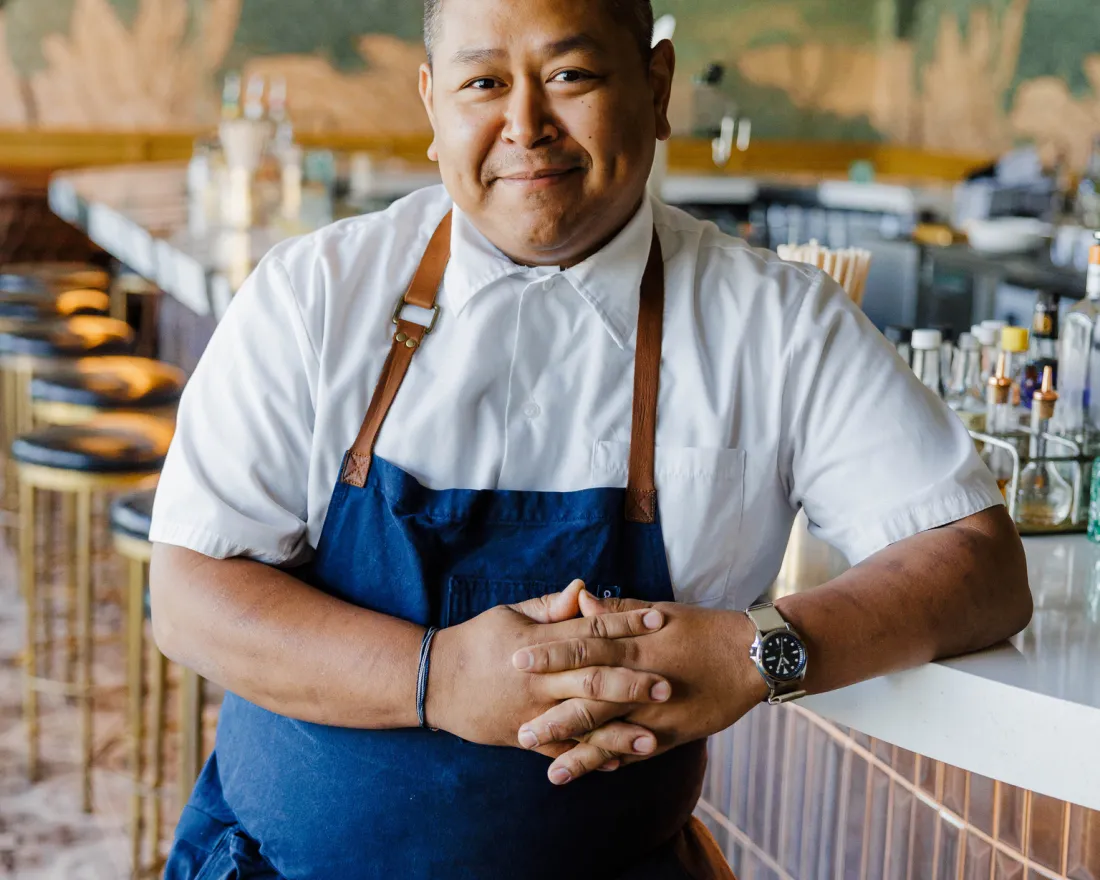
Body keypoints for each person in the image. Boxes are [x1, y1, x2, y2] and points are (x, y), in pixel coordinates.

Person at [149, 0, 1032, 876]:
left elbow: (978, 565)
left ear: (656, 85)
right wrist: (439, 677)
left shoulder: (778, 324)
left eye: (570, 75)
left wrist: (755, 651)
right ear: (431, 105)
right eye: (483, 82)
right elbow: (187, 596)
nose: (525, 125)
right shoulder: (312, 297)